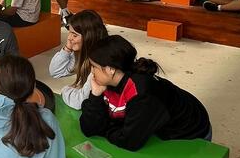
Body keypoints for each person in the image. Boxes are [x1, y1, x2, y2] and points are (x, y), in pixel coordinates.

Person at [80, 35, 211, 151]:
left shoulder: (141, 93)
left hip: (190, 134)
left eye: (94, 66)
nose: (92, 71)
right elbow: (88, 128)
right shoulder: (107, 83)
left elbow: (129, 141)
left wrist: (104, 128)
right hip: (157, 125)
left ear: (110, 69)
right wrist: (95, 96)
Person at [49, 10, 108, 109]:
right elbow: (55, 72)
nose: (69, 38)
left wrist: (65, 90)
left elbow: (80, 102)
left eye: (74, 35)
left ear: (88, 37)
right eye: (69, 33)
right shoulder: (83, 53)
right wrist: (67, 49)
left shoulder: (98, 63)